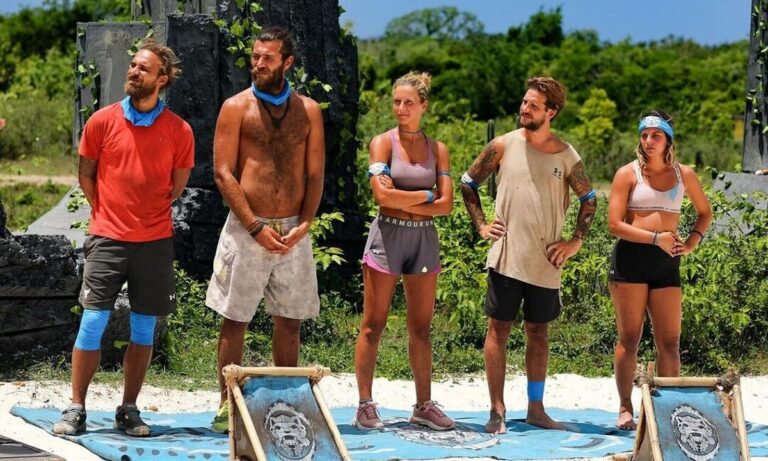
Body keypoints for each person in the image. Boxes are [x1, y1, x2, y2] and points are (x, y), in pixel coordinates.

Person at [52, 39, 194, 436]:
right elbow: (86, 174)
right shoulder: (101, 121)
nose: (133, 71)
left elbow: (176, 186)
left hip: (155, 242)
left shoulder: (179, 130)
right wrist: (108, 212)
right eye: (133, 65)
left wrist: (144, 214)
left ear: (162, 79)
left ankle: (129, 409)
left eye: (143, 68)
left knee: (144, 328)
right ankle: (76, 408)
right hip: (107, 238)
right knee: (92, 321)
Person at [460, 76, 597, 434]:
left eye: (533, 105)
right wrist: (481, 225)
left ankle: (536, 409)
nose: (524, 108)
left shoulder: (566, 155)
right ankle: (497, 409)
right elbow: (468, 183)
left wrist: (575, 241)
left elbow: (589, 200)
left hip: (546, 261)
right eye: (524, 102)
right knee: (498, 330)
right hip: (507, 257)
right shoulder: (503, 145)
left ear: (551, 112)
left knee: (538, 333)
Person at [206, 26, 325, 433]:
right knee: (235, 318)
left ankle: (285, 400)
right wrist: (255, 226)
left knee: (289, 320)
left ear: (287, 62)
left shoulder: (309, 110)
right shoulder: (235, 107)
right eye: (255, 56)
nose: (258, 63)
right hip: (246, 227)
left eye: (267, 58)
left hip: (293, 229)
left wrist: (305, 223)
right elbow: (223, 173)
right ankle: (227, 406)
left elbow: (315, 173)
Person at [353, 71, 455, 432]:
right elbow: (382, 197)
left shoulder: (438, 149)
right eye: (396, 102)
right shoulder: (382, 143)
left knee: (422, 328)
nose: (400, 108)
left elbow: (447, 205)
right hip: (387, 236)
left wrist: (404, 198)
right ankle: (365, 405)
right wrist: (426, 194)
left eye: (408, 102)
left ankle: (423, 405)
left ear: (423, 105)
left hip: (423, 240)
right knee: (373, 324)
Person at [607, 110, 712, 430]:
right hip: (631, 260)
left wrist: (692, 242)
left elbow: (705, 213)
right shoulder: (627, 174)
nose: (648, 141)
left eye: (656, 135)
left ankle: (669, 409)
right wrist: (656, 238)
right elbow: (614, 225)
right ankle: (625, 407)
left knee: (669, 341)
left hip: (667, 262)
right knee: (630, 338)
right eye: (644, 135)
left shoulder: (684, 174)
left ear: (668, 139)